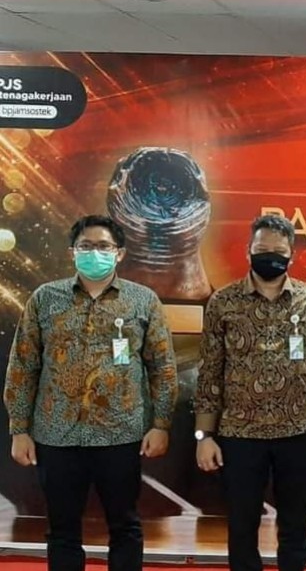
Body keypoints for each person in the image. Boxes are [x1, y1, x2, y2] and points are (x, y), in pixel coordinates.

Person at [3, 214, 178, 571]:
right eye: (86, 246)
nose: (94, 253)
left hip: (121, 434)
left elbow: (162, 367)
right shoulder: (45, 299)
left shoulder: (142, 301)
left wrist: (161, 424)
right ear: (72, 252)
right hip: (57, 435)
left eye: (103, 246)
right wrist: (19, 429)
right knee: (62, 530)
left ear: (119, 253)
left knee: (125, 526)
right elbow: (23, 366)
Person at [194, 214, 306, 571]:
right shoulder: (223, 302)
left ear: (292, 255)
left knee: (295, 524)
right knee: (241, 525)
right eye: (262, 250)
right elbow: (210, 371)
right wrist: (204, 436)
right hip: (239, 434)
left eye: (278, 251)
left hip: (299, 431)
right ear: (248, 251)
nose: (270, 256)